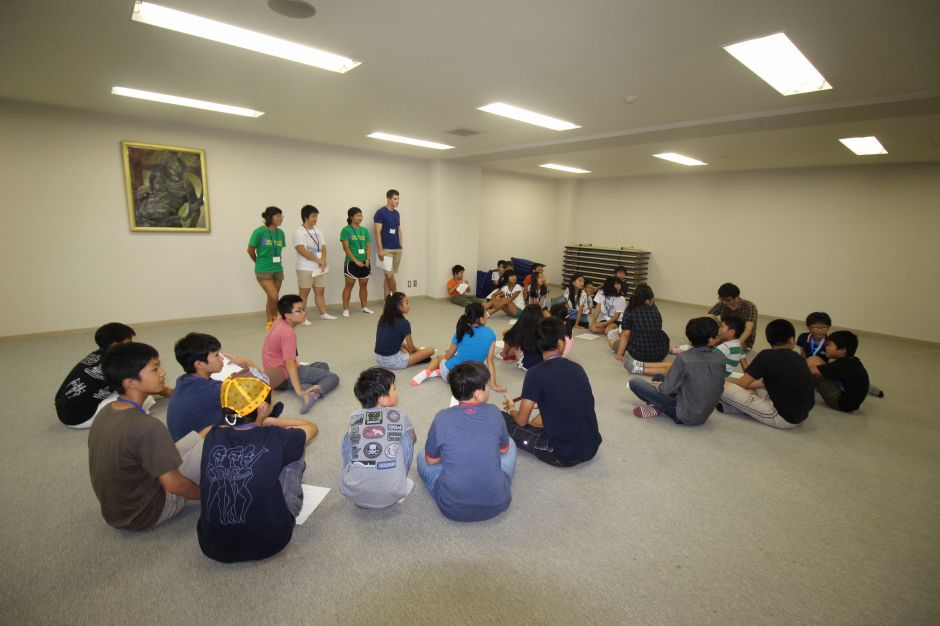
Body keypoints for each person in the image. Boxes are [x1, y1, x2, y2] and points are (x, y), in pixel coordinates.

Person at [198, 370, 318, 563]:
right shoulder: (278, 437)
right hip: (271, 541)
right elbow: (311, 427)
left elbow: (208, 431)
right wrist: (273, 422)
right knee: (296, 456)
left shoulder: (212, 436)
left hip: (212, 545)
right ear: (262, 407)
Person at [88, 342, 201, 530]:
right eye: (155, 369)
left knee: (206, 433)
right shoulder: (148, 427)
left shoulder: (107, 411)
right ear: (130, 382)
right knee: (214, 444)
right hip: (149, 512)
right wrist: (208, 495)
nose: (163, 372)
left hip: (119, 511)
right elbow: (175, 485)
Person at [419, 362, 516, 522]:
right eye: (486, 385)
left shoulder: (441, 417)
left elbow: (431, 460)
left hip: (451, 507)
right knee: (510, 443)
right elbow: (503, 450)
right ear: (477, 393)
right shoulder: (494, 411)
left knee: (422, 455)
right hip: (499, 502)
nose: (488, 388)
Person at [503, 318, 602, 467]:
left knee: (499, 417)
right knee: (552, 415)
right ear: (560, 343)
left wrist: (512, 409)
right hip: (592, 447)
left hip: (562, 454)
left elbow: (521, 421)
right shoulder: (577, 368)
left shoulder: (534, 373)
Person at [55, 322, 169, 429]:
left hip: (64, 408)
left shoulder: (97, 356)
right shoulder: (116, 364)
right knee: (145, 396)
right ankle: (134, 416)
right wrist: (165, 391)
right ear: (115, 345)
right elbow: (137, 384)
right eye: (129, 343)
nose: (131, 346)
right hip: (80, 417)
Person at [339, 367, 416, 509]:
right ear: (382, 399)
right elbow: (413, 439)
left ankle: (356, 476)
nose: (397, 391)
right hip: (394, 492)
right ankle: (401, 480)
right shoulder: (400, 415)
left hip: (353, 493)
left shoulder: (354, 416)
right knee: (407, 435)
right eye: (394, 388)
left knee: (350, 437)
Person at [720, 319, 815, 429]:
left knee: (720, 385)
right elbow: (762, 383)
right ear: (791, 340)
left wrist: (732, 388)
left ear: (768, 339)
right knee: (756, 385)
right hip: (801, 414)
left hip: (781, 416)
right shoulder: (799, 358)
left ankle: (739, 407)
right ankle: (740, 407)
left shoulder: (766, 355)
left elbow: (741, 384)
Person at [628, 317, 726, 424]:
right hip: (704, 414)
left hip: (682, 414)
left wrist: (659, 386)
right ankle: (657, 406)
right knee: (659, 377)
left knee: (635, 382)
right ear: (711, 339)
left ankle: (658, 407)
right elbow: (716, 387)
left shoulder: (684, 358)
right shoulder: (720, 358)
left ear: (689, 339)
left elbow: (666, 389)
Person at [166, 332, 257, 442]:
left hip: (186, 445)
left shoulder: (183, 380)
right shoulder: (213, 390)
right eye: (216, 355)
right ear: (199, 364)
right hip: (203, 448)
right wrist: (248, 363)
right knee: (260, 413)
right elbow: (261, 390)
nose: (222, 359)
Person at [262, 295, 341, 414]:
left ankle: (303, 384)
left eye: (303, 309)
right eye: (299, 311)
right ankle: (312, 395)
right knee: (332, 377)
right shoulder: (288, 333)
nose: (303, 313)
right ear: (287, 315)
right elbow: (290, 364)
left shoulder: (279, 321)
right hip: (283, 377)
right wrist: (300, 392)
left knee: (323, 365)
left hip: (274, 377)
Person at [411, 302, 505, 392]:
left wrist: (449, 352)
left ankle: (426, 372)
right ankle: (438, 372)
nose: (487, 315)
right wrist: (493, 384)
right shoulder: (490, 333)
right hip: (469, 379)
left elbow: (448, 357)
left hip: (451, 375)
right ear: (481, 319)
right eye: (485, 313)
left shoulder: (461, 331)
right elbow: (490, 361)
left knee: (439, 358)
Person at [798, 312, 884, 398]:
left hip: (829, 367)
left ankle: (868, 387)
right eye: (816, 327)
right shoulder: (803, 337)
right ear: (809, 327)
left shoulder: (832, 341)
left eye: (824, 327)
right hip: (813, 365)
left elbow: (838, 360)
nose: (820, 330)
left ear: (828, 327)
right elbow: (802, 353)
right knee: (808, 364)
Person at [807, 330, 870, 413]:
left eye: (830, 345)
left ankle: (797, 392)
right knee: (815, 359)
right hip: (850, 402)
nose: (826, 347)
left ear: (843, 349)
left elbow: (813, 371)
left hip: (841, 403)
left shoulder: (843, 365)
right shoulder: (853, 360)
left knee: (814, 370)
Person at [293, 204, 336, 322]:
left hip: (319, 268)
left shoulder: (318, 231)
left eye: (316, 216)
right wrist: (319, 260)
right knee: (304, 293)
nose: (315, 219)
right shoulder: (298, 231)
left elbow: (323, 247)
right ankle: (301, 318)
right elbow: (301, 250)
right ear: (305, 217)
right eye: (313, 216)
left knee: (320, 291)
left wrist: (323, 261)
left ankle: (323, 313)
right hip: (305, 267)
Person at [374, 292, 436, 369]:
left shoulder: (383, 317)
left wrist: (406, 347)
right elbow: (412, 349)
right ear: (399, 306)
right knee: (431, 350)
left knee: (403, 346)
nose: (409, 306)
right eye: (407, 303)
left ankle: (409, 355)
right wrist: (419, 350)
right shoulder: (404, 323)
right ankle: (414, 358)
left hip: (378, 359)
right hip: (393, 362)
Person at [247, 206, 287, 327]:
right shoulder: (259, 232)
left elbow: (278, 251)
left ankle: (269, 323)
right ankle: (276, 320)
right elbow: (250, 250)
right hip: (263, 270)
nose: (281, 218)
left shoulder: (281, 233)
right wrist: (258, 262)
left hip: (278, 269)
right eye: (277, 215)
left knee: (271, 298)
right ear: (269, 217)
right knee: (274, 296)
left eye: (281, 215)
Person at [613, 284, 669, 363]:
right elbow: (657, 329)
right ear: (647, 300)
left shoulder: (630, 310)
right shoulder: (655, 310)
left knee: (614, 342)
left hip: (639, 354)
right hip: (661, 353)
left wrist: (619, 354)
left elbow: (625, 334)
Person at [340, 207, 373, 317]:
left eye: (361, 215)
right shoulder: (346, 230)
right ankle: (345, 309)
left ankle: (364, 307)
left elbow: (368, 246)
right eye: (358, 215)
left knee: (364, 285)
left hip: (365, 262)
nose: (360, 217)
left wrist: (368, 259)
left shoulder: (364, 230)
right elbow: (346, 248)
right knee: (349, 286)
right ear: (351, 217)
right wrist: (356, 261)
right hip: (351, 262)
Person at [707, 283, 758, 351]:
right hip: (726, 334)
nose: (724, 302)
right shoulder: (722, 303)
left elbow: (748, 329)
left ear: (737, 297)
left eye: (728, 300)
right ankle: (720, 341)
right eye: (721, 299)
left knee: (727, 350)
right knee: (710, 317)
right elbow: (708, 316)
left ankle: (728, 343)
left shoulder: (749, 306)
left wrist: (736, 346)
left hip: (742, 338)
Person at [374, 189, 402, 299]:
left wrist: (401, 245)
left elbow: (398, 230)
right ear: (388, 199)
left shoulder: (397, 214)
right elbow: (377, 232)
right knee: (389, 275)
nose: (397, 201)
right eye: (395, 199)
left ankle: (387, 301)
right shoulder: (380, 212)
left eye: (398, 199)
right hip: (386, 249)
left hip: (397, 249)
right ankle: (396, 297)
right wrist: (380, 249)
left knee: (388, 277)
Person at [499, 304, 545, 369]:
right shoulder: (544, 327)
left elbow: (508, 336)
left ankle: (505, 354)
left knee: (511, 336)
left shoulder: (521, 327)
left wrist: (505, 353)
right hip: (543, 362)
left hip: (527, 364)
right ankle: (511, 353)